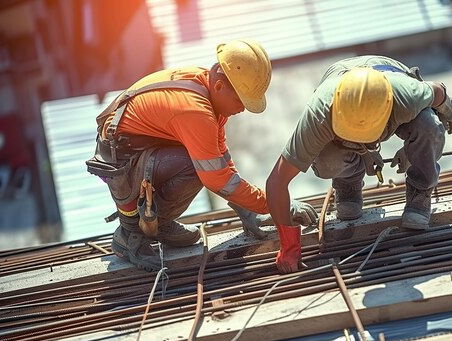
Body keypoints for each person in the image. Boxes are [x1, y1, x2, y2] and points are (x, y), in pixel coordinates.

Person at [86, 39, 317, 271]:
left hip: (142, 149)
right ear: (219, 87)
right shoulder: (195, 111)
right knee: (197, 168)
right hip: (124, 162)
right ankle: (131, 235)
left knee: (204, 163)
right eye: (240, 100)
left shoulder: (208, 89)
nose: (244, 108)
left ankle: (158, 224)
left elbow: (220, 159)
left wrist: (248, 210)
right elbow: (216, 177)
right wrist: (273, 205)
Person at [266, 55, 452, 274]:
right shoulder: (320, 114)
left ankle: (420, 192)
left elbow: (438, 92)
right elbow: (277, 181)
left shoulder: (406, 95)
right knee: (325, 160)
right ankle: (348, 182)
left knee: (429, 125)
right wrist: (289, 247)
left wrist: (420, 142)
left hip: (386, 76)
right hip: (341, 80)